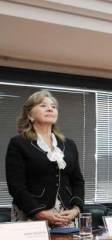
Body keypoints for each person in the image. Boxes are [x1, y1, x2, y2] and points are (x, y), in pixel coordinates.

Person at [6, 90, 84, 226]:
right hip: (31, 214)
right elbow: (16, 186)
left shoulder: (69, 144)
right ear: (30, 115)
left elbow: (77, 181)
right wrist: (39, 212)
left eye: (53, 107)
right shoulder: (19, 143)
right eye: (43, 105)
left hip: (65, 216)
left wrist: (76, 209)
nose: (50, 109)